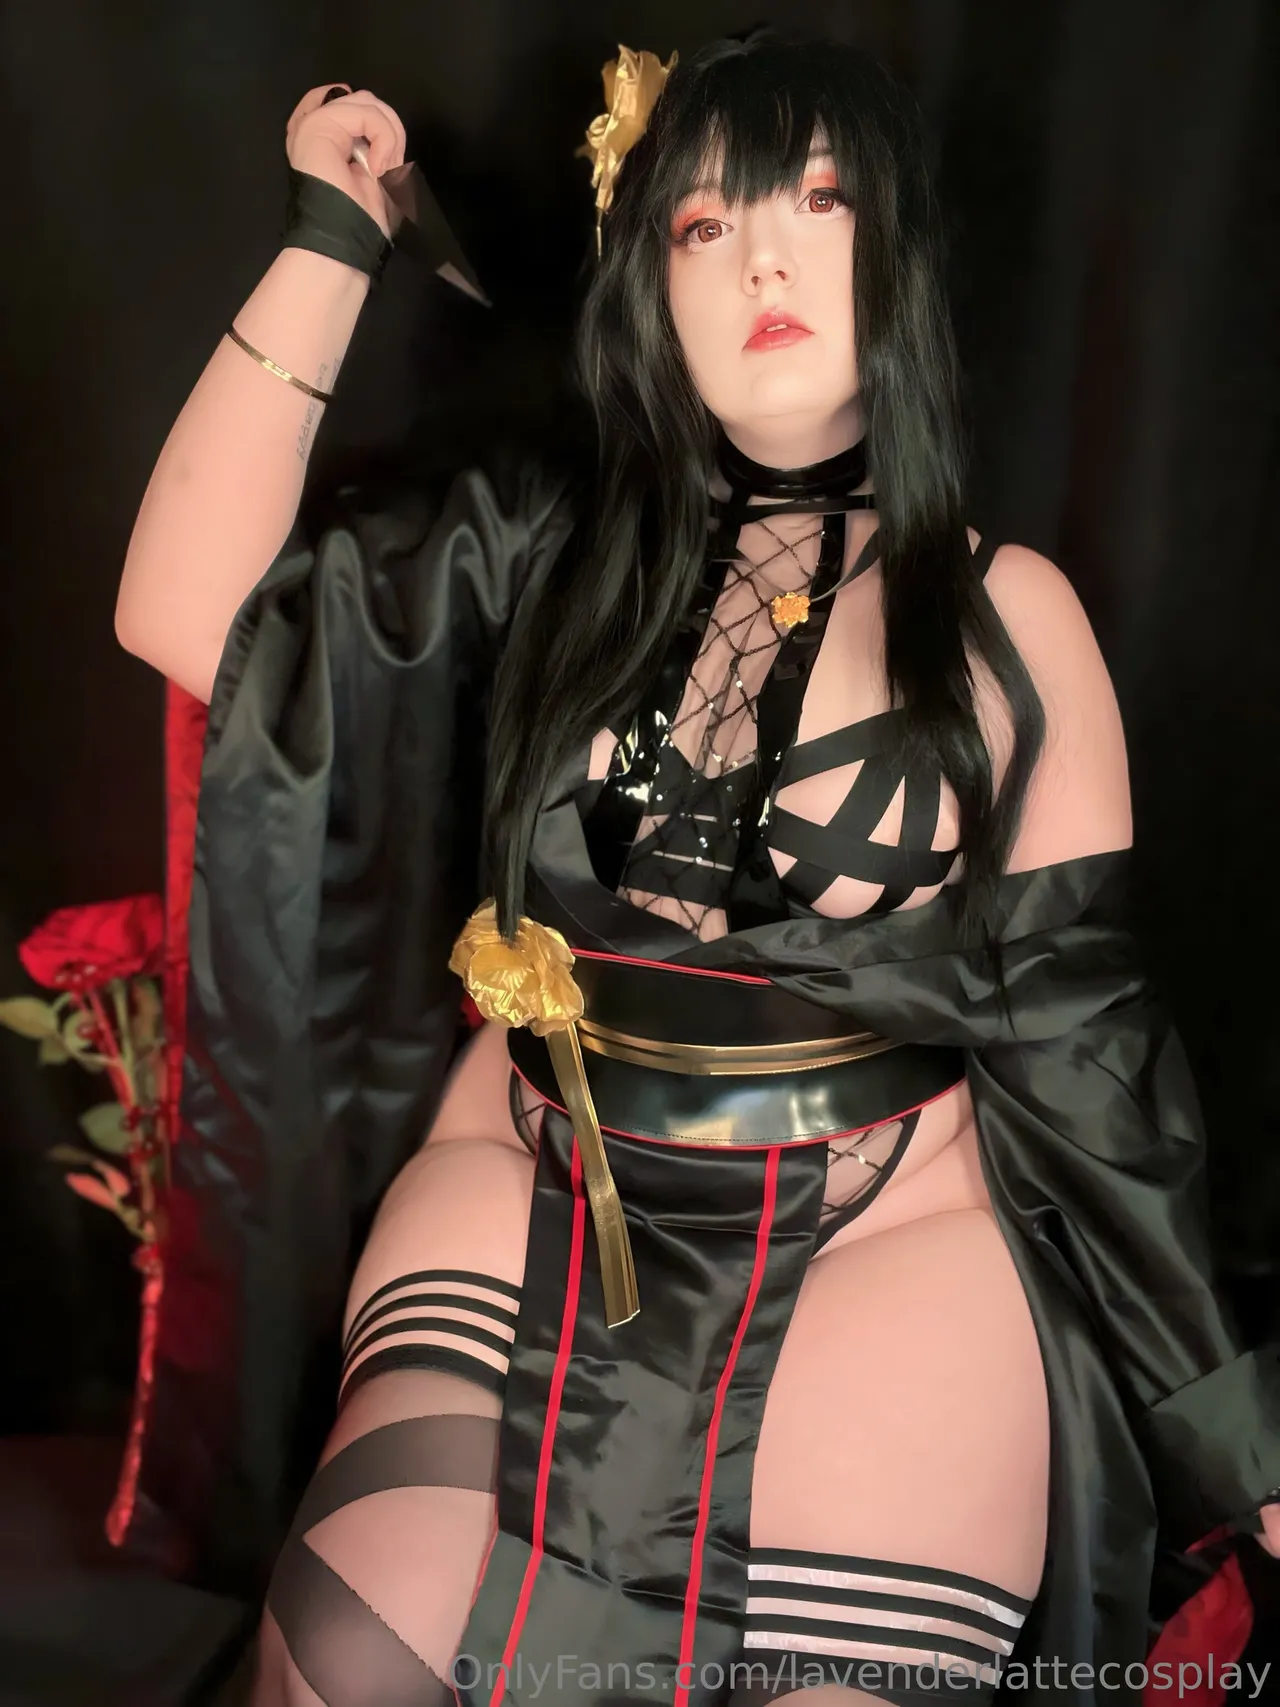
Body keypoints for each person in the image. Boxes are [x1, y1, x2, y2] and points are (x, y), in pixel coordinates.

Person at [115, 31, 1280, 1707]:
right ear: (652, 285)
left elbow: (1089, 1054)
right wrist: (331, 236)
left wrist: (1239, 1437)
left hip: (880, 1229)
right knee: (350, 1656)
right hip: (535, 1177)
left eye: (819, 200)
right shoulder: (541, 543)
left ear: (901, 252)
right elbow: (184, 615)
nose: (764, 261)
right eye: (705, 223)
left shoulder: (1009, 618)